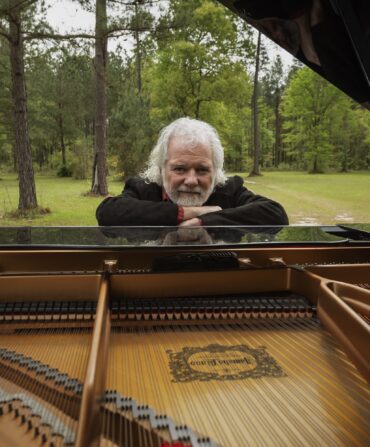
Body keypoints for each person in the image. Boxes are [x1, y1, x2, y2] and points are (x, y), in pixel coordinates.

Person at [96, 117, 289, 227]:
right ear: (162, 168)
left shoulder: (229, 190)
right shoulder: (144, 188)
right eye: (180, 168)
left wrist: (203, 221)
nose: (191, 180)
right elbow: (107, 212)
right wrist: (183, 213)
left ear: (216, 171)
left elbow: (276, 215)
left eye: (202, 169)